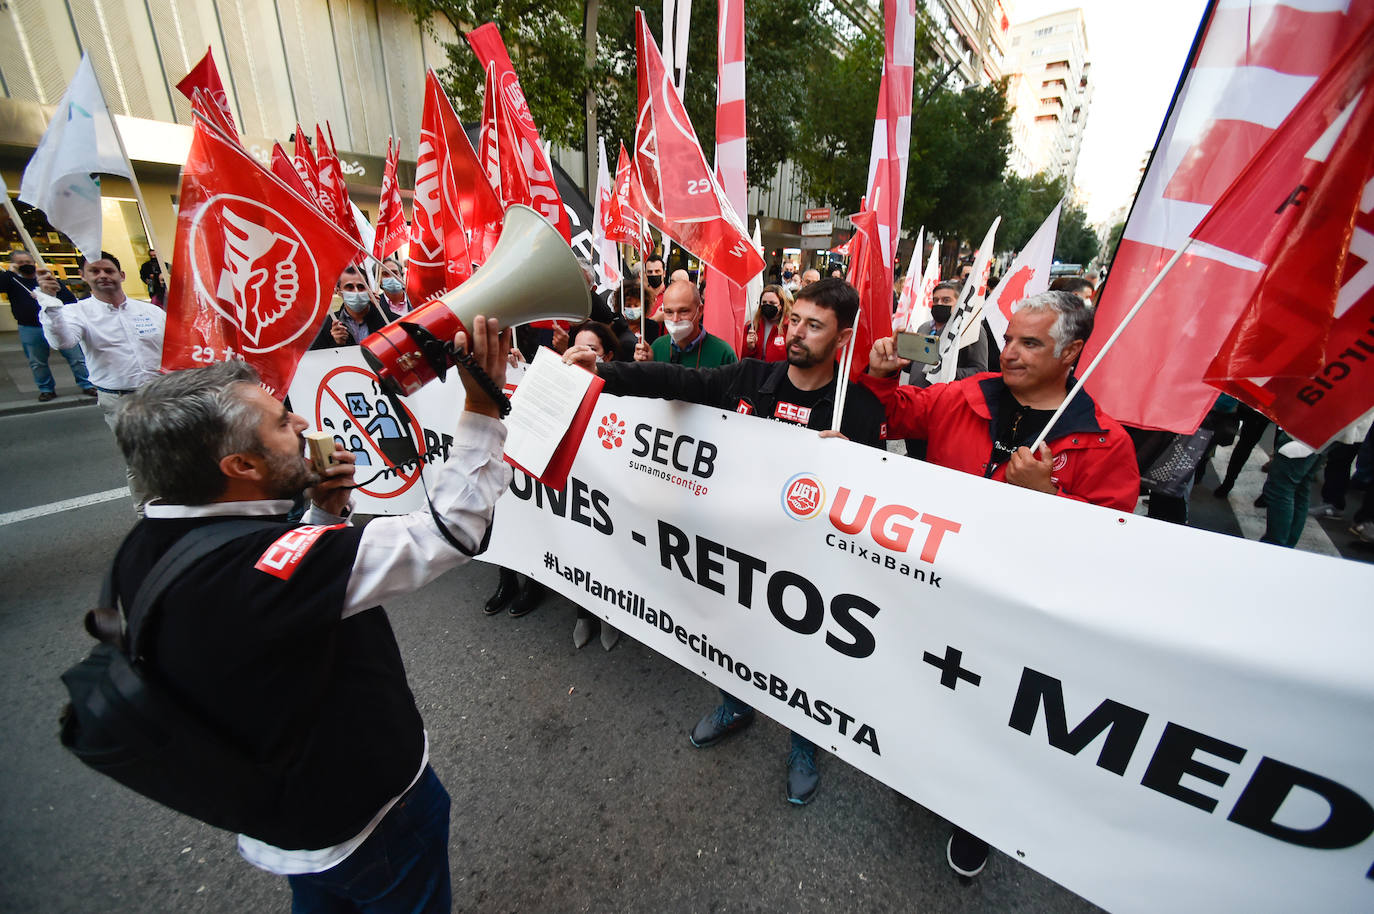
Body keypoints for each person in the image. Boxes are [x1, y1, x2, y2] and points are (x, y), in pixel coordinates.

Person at [107, 315, 510, 913]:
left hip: (290, 822)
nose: (299, 422)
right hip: (369, 822)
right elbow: (451, 529)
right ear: (240, 468)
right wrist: (482, 406)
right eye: (278, 422)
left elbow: (282, 606)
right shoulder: (259, 572)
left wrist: (322, 517)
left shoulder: (146, 546)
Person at [565, 277, 887, 806]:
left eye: (813, 325)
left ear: (844, 338)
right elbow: (672, 380)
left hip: (807, 569)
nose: (796, 334)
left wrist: (854, 464)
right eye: (793, 320)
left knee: (803, 658)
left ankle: (803, 741)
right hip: (737, 556)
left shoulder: (859, 411)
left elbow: (882, 507)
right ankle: (735, 704)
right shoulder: (750, 376)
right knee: (735, 636)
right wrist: (602, 371)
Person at [860, 289, 1138, 878]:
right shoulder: (964, 394)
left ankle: (979, 815)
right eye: (1009, 337)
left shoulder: (1105, 443)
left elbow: (1113, 556)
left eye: (1029, 343)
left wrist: (1049, 499)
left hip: (1020, 620)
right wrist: (882, 379)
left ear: (1072, 353)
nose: (1009, 352)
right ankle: (929, 770)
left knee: (995, 717)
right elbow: (892, 416)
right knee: (932, 692)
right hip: (936, 592)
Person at [37, 252, 166, 511]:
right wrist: (50, 303)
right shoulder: (76, 312)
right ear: (84, 277)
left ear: (121, 275)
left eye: (108, 270)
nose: (103, 275)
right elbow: (62, 341)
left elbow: (174, 349)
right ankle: (148, 515)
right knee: (139, 460)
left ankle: (180, 507)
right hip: (120, 399)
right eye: (95, 271)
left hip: (162, 394)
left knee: (175, 452)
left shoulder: (151, 311)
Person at [1, 250, 95, 401]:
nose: (25, 265)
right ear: (14, 265)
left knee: (76, 357)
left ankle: (87, 384)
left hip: (59, 325)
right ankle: (46, 389)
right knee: (37, 362)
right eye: (20, 263)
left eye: (28, 262)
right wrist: (9, 273)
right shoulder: (12, 281)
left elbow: (70, 300)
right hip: (30, 327)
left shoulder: (47, 279)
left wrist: (50, 296)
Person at [636, 280, 738, 368]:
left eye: (683, 311)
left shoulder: (723, 354)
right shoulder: (657, 348)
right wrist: (645, 368)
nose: (675, 319)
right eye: (669, 312)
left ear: (700, 311)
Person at [310, 263, 399, 349]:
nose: (356, 292)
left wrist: (378, 312)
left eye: (361, 287)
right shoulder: (325, 326)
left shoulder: (389, 320)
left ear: (369, 289)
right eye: (349, 287)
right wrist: (337, 344)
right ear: (338, 291)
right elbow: (319, 359)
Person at [742, 284, 792, 362]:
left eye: (772, 303)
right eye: (764, 302)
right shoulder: (751, 326)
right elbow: (742, 358)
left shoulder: (789, 327)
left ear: (781, 306)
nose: (767, 305)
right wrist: (749, 348)